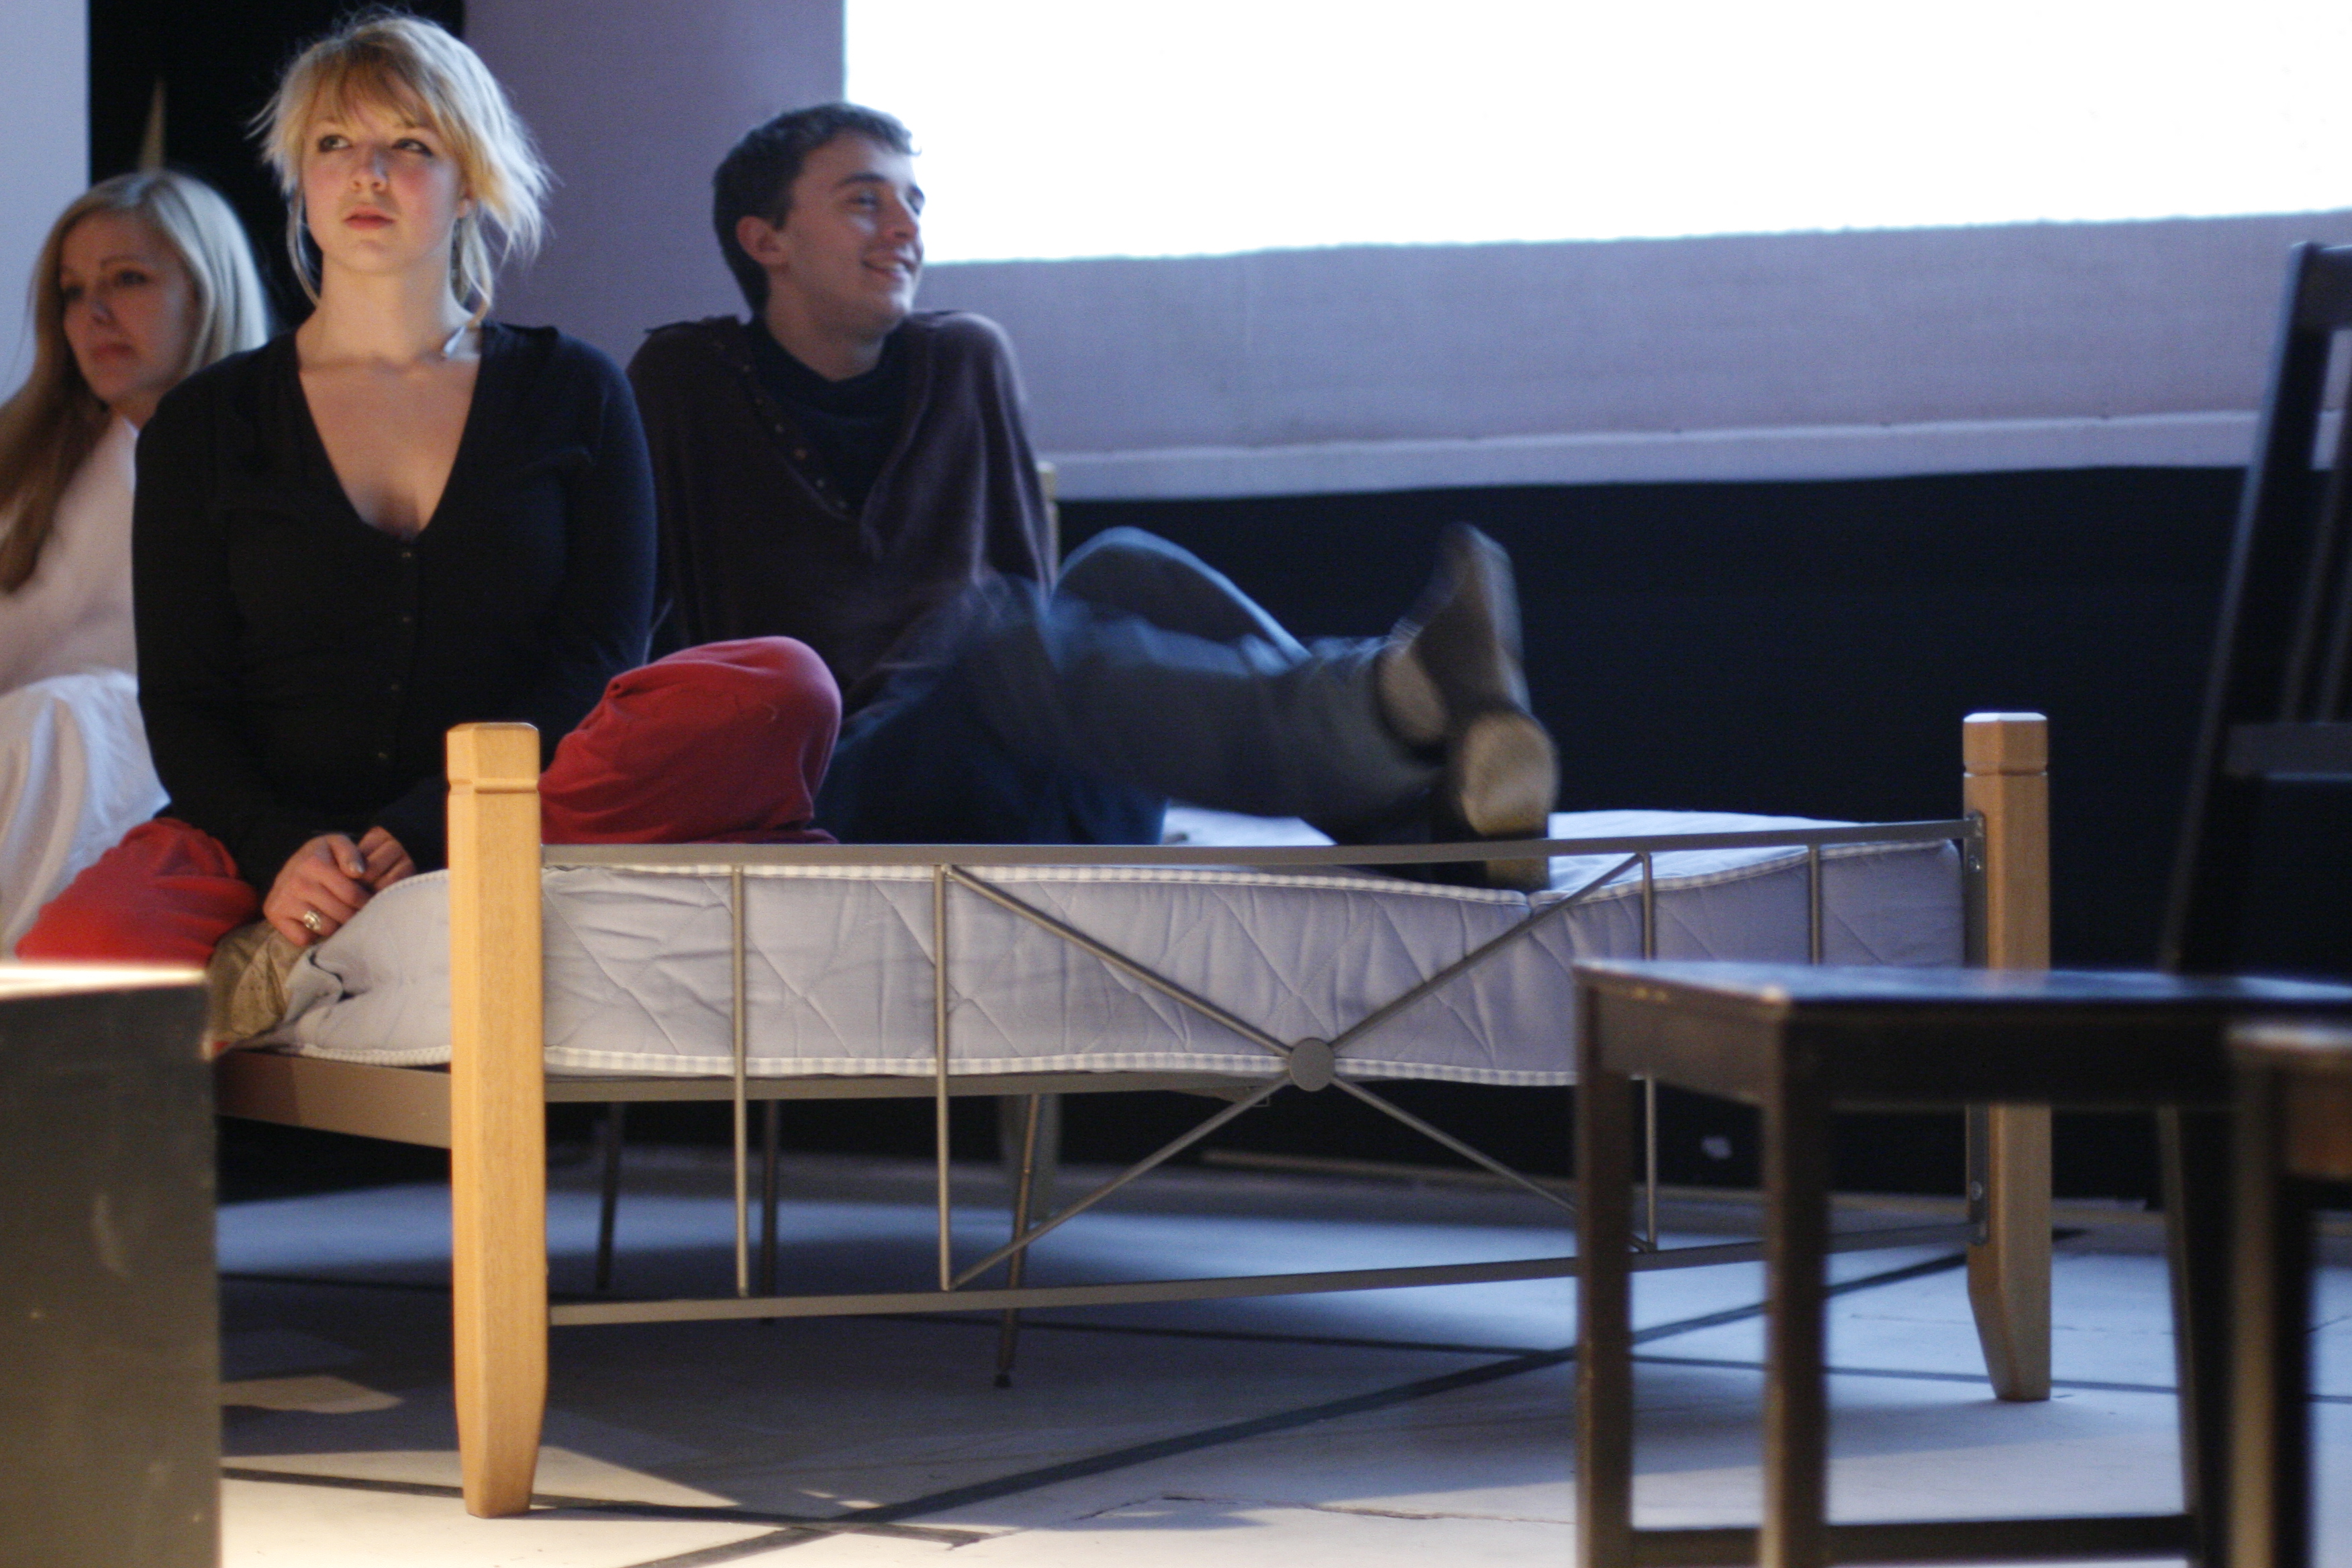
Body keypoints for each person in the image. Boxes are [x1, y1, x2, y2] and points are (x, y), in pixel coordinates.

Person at [19, 13, 838, 983]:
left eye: (409, 145)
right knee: (70, 960)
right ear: (300, 177)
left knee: (784, 683)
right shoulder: (204, 420)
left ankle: (439, 883)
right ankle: (318, 928)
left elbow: (597, 657)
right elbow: (187, 703)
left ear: (470, 181)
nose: (367, 174)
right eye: (334, 144)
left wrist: (430, 825)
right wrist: (283, 851)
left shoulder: (574, 390)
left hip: (517, 803)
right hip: (268, 834)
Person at [628, 104, 1557, 887]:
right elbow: (642, 620)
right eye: (866, 202)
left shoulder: (965, 359)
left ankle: (1429, 821)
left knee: (1126, 570)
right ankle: (1395, 706)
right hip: (832, 795)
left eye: (914, 203)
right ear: (767, 240)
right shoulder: (685, 379)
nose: (905, 229)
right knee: (1000, 648)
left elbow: (1026, 600)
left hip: (1010, 782)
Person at [0, 170, 270, 951]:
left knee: (71, 716)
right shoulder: (26, 462)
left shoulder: (279, 464)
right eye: (73, 291)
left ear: (206, 291)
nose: (95, 314)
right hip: (28, 753)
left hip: (168, 770)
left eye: (128, 279)